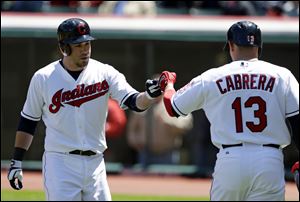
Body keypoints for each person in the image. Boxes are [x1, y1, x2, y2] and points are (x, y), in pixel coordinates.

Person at [7, 18, 162, 201]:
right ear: (64, 48)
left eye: (87, 43)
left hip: (96, 163)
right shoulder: (43, 78)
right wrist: (16, 161)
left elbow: (134, 101)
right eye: (78, 45)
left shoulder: (104, 72)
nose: (85, 49)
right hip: (60, 163)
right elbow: (28, 121)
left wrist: (150, 95)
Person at [158, 20, 299, 200]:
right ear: (259, 46)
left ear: (231, 46)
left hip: (230, 158)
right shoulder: (282, 75)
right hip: (269, 158)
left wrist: (169, 84)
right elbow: (297, 122)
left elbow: (172, 107)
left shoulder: (212, 76)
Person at [127, 81, 193, 166]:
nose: (157, 89)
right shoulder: (142, 103)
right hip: (145, 153)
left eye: (160, 87)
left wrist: (169, 122)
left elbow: (186, 125)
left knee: (169, 179)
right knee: (144, 179)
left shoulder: (175, 103)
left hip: (167, 153)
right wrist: (134, 141)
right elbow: (131, 128)